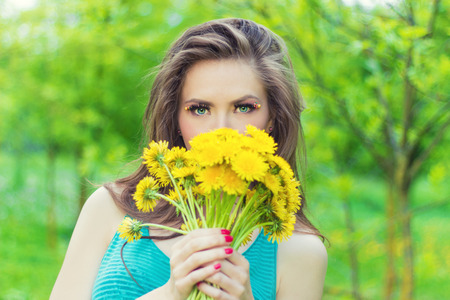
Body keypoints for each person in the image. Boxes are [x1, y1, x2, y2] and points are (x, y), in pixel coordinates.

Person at [50, 18, 327, 300]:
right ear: (176, 119)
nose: (222, 130)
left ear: (272, 119)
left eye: (244, 107)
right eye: (199, 109)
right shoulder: (110, 208)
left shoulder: (301, 252)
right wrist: (171, 294)